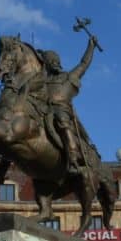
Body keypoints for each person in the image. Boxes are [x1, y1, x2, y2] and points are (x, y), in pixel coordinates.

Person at [42, 36, 98, 175]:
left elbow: (83, 64)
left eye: (56, 60)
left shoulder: (68, 77)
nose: (54, 63)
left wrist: (91, 46)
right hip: (43, 109)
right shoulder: (42, 81)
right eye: (50, 61)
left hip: (62, 110)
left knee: (62, 121)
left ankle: (72, 159)